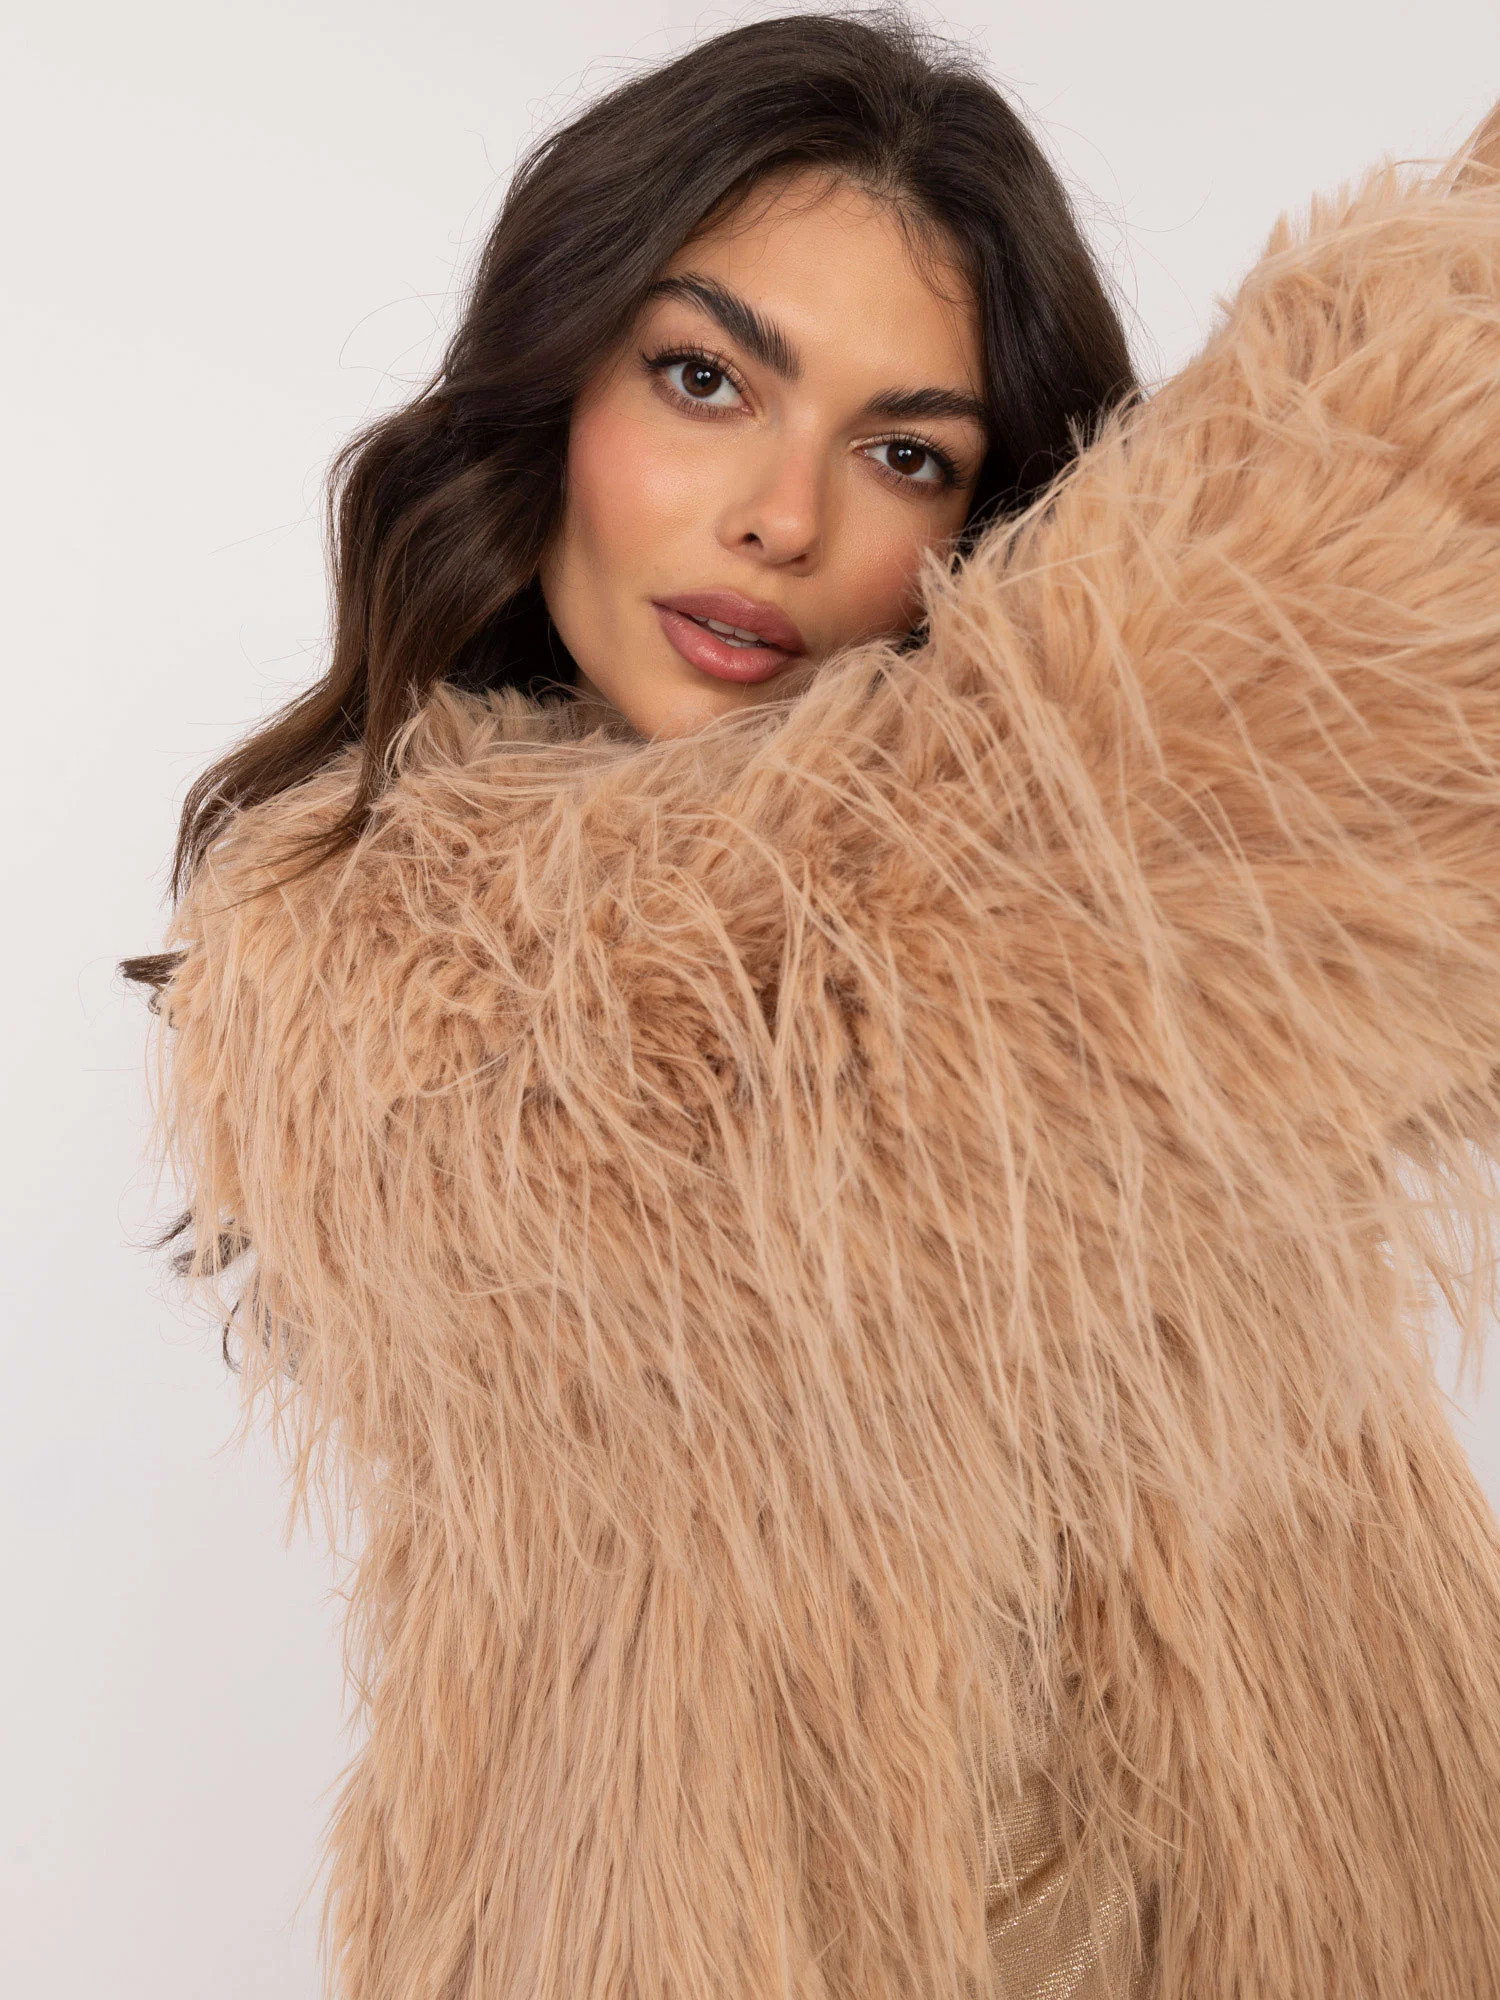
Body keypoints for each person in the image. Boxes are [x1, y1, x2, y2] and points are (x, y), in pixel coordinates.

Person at [122, 11, 1500, 1998]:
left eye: (904, 453)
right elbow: (1306, 657)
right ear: (555, 389)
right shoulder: (396, 988)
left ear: (999, 535)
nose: (783, 517)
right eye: (706, 378)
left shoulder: (1086, 919)